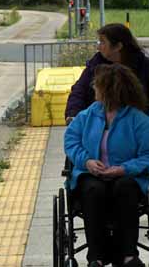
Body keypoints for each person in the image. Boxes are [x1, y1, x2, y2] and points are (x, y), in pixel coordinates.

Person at [64, 63, 149, 267]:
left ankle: (129, 255)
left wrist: (124, 168)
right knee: (93, 190)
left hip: (128, 175)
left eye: (97, 86)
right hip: (91, 173)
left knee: (125, 188)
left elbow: (147, 155)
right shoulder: (88, 115)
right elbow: (71, 141)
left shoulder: (139, 120)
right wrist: (87, 161)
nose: (94, 89)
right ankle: (96, 257)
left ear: (109, 90)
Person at [65, 24, 149, 122]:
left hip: (134, 130)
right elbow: (80, 89)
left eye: (102, 42)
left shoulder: (145, 67)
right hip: (97, 125)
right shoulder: (96, 63)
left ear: (118, 46)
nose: (98, 47)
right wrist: (74, 114)